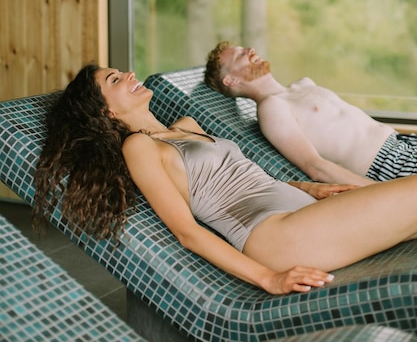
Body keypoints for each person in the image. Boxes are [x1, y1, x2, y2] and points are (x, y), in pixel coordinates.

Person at [33, 64, 417, 296]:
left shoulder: (186, 126)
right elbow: (186, 231)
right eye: (115, 79)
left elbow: (249, 179)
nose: (129, 74)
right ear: (108, 113)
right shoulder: (140, 148)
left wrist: (308, 188)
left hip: (304, 211)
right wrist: (268, 277)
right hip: (276, 235)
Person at [204, 41, 417, 187]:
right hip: (389, 166)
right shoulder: (272, 108)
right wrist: (383, 193)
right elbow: (315, 167)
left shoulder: (303, 84)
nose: (250, 49)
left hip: (405, 143)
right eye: (240, 55)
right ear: (231, 80)